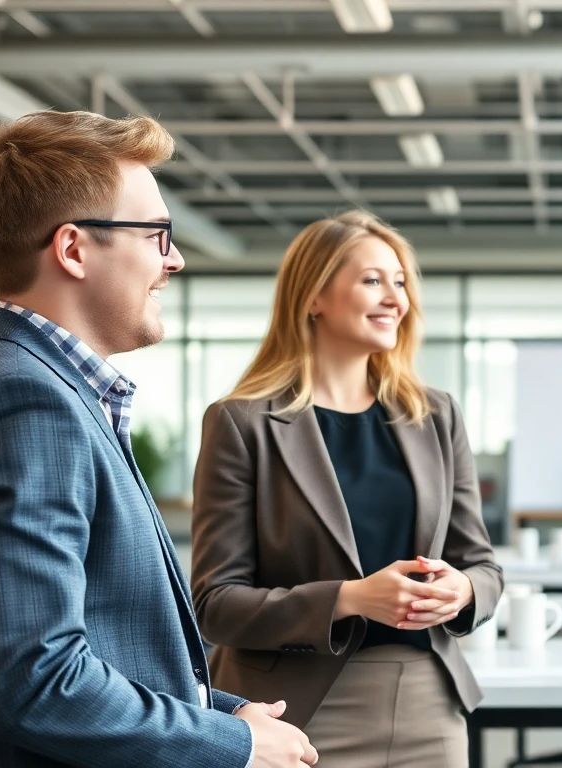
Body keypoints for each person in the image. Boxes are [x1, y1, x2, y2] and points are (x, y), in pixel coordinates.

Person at [0, 111, 314, 767]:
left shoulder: (49, 393)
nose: (174, 259)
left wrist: (215, 709)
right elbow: (31, 684)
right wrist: (232, 746)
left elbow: (98, 643)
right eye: (157, 234)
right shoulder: (24, 405)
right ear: (73, 249)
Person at [190, 210, 503, 768]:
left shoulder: (436, 416)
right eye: (372, 280)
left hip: (427, 703)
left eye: (401, 282)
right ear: (314, 297)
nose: (395, 299)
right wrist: (350, 599)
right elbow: (216, 605)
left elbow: (482, 564)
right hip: (296, 712)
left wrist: (464, 591)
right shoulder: (241, 423)